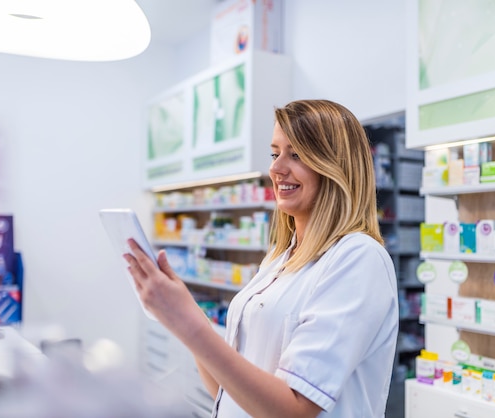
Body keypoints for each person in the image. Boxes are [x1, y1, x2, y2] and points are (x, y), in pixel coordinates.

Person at [124, 99, 399, 417]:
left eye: (296, 154)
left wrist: (187, 323)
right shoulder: (278, 260)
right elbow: (229, 391)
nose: (276, 168)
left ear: (336, 165)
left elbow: (295, 410)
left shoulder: (359, 259)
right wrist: (185, 314)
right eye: (275, 153)